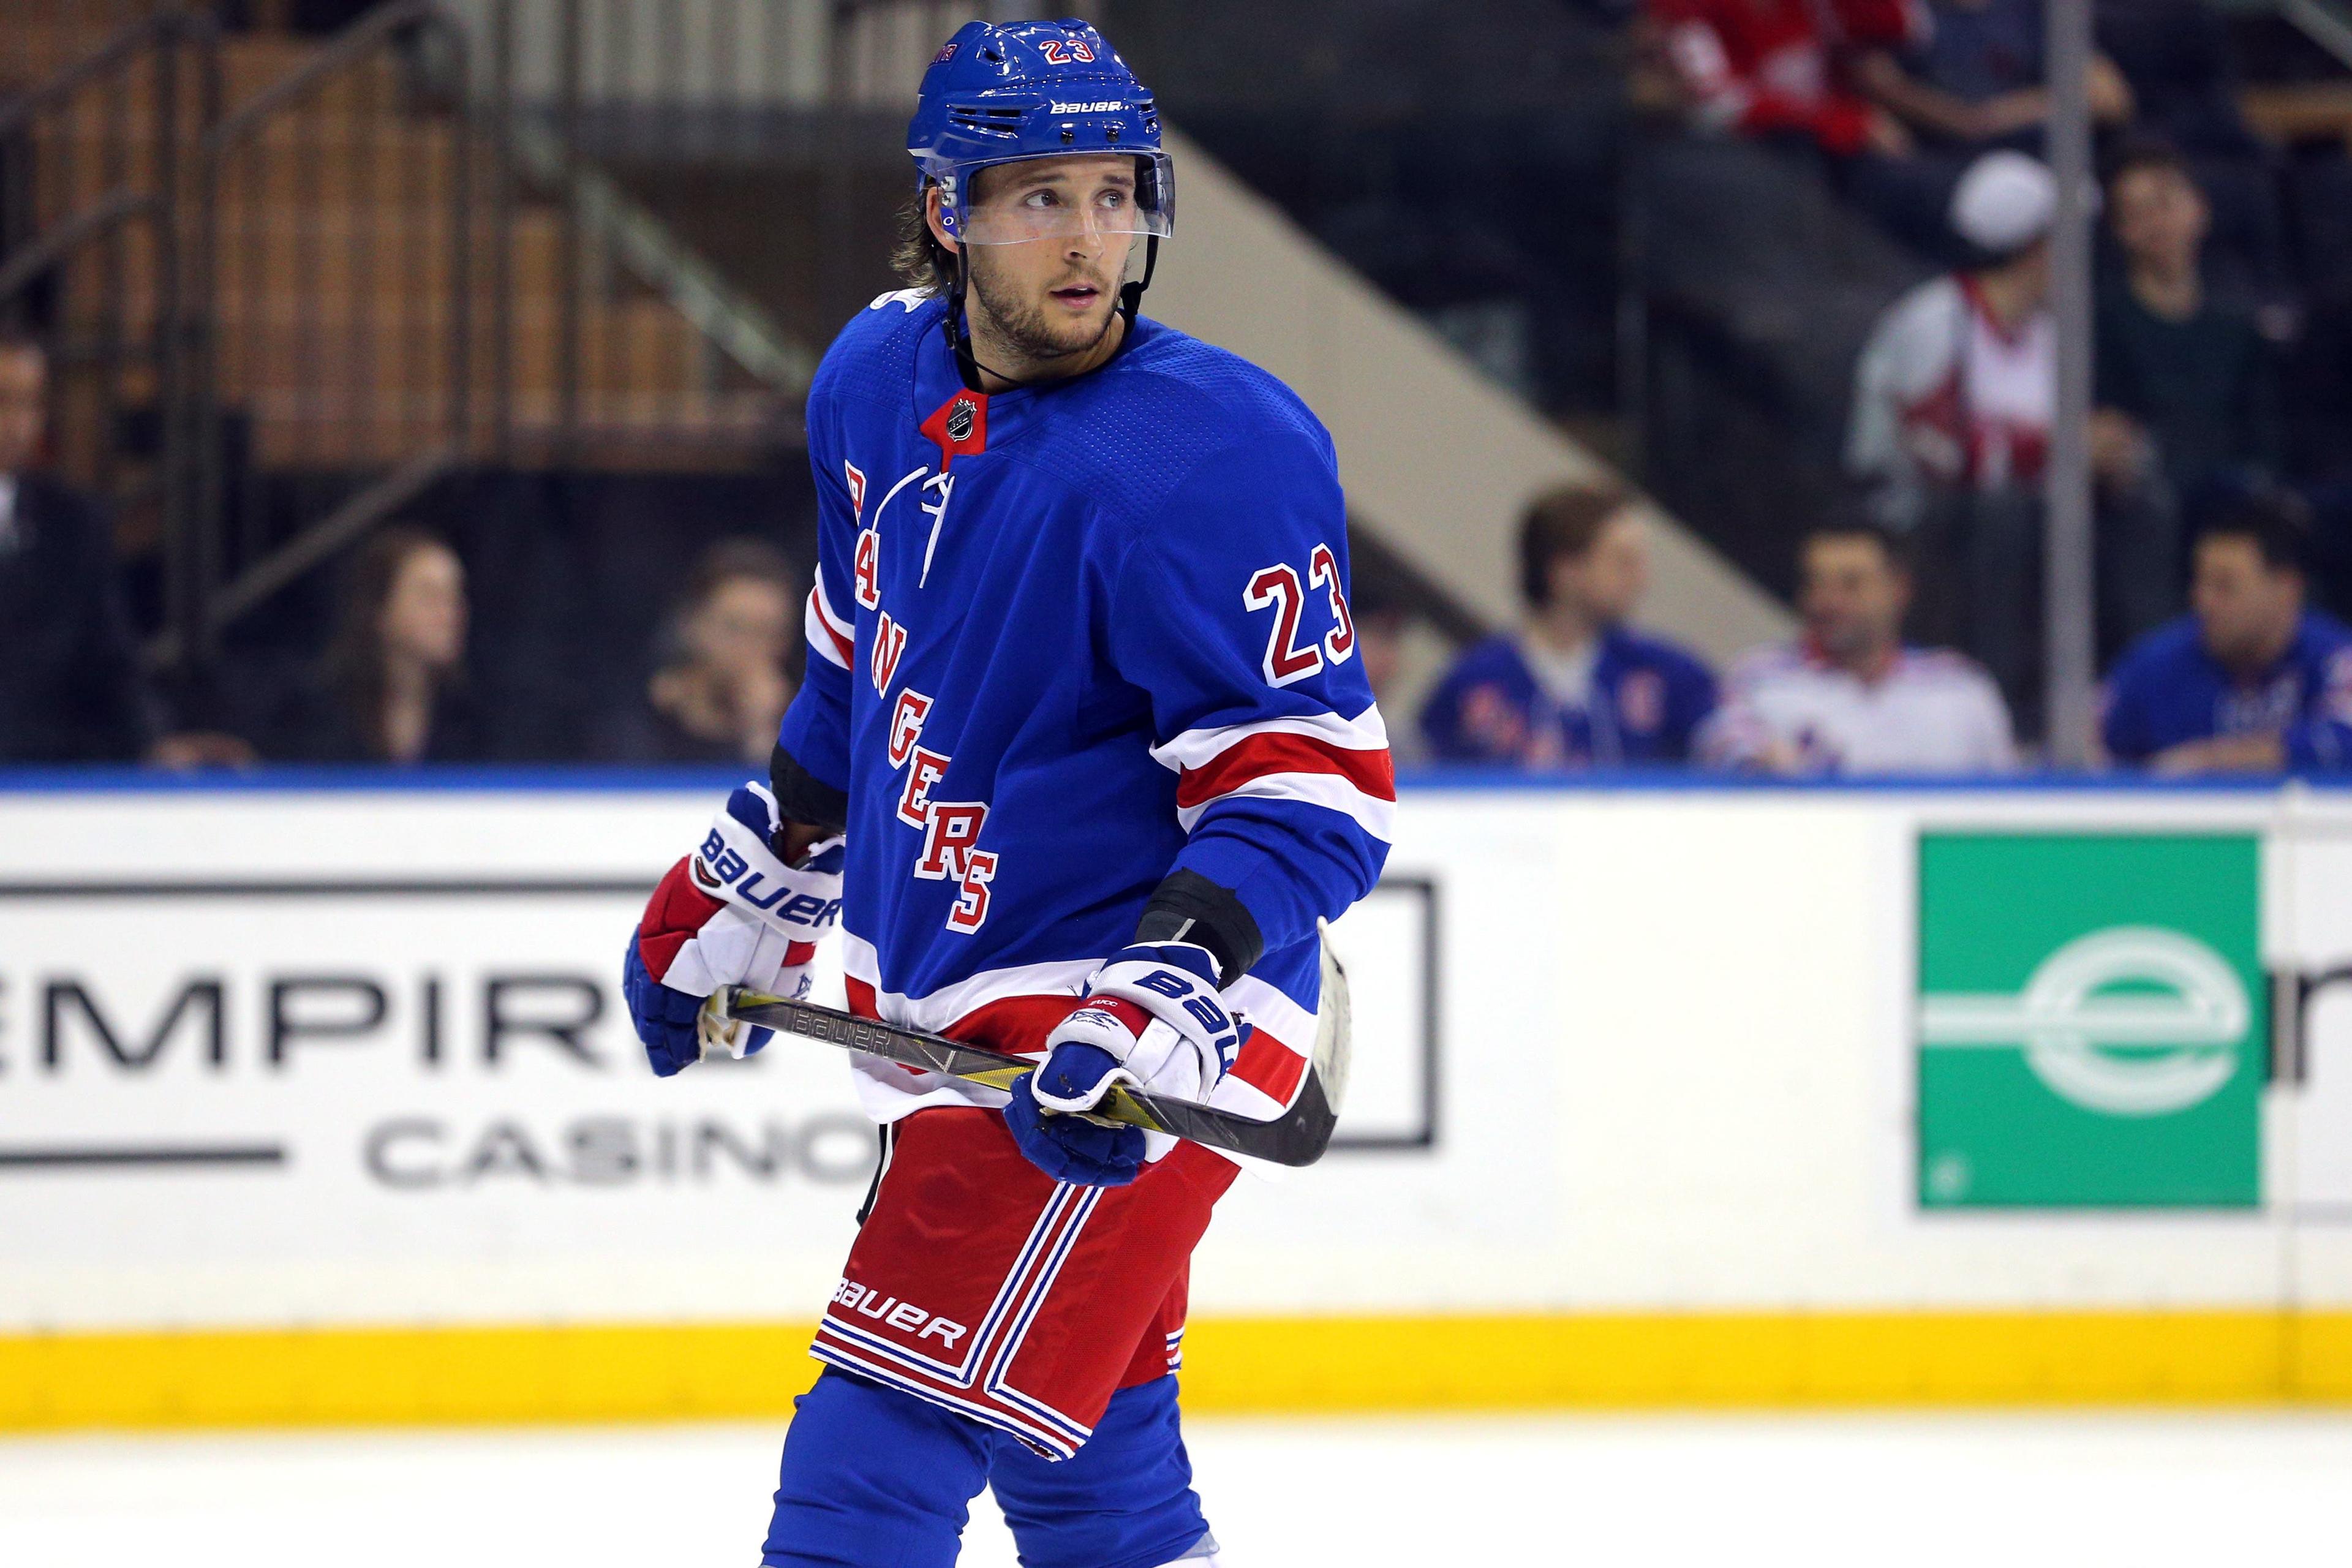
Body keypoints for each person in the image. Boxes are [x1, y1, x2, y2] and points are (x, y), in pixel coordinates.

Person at [618, 22, 1389, 1568]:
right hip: (950, 1014)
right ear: (945, 209)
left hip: (1137, 1024)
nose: (1088, 238)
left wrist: (1151, 997)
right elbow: (862, 656)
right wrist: (754, 865)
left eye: (1112, 194)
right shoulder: (871, 374)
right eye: (1038, 197)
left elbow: (1310, 791)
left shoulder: (1216, 453)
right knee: (1091, 1475)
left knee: (869, 1460)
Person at [1420, 483, 1717, 767]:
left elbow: (1725, 749)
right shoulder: (1474, 681)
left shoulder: (1668, 675)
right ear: (1565, 571)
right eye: (1622, 562)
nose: (1642, 580)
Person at [1700, 519, 2016, 773]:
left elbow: (2010, 805)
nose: (1829, 601)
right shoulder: (1760, 679)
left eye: (1851, 584)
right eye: (1817, 583)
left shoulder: (1960, 687)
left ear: (1899, 589)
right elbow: (1725, 764)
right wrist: (1763, 769)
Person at [0, 331, 164, 763]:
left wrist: (152, 744)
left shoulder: (71, 522)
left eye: (30, 403)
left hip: (39, 782)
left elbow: (109, 659)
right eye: (3, 400)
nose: (17, 423)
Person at [2101, 494, 2352, 774]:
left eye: (2225, 586)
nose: (2203, 600)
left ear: (2286, 589)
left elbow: (2345, 737)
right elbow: (2083, 748)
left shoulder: (2336, 659)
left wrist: (2213, 761)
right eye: (2200, 582)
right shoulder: (2152, 667)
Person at [2093, 140, 2280, 510]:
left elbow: (2263, 433)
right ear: (2119, 230)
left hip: (2231, 495)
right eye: (2137, 212)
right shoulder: (2104, 322)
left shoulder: (2238, 323)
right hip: (2149, 496)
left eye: (2164, 203)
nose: (2156, 223)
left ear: (2199, 208)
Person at [273, 525, 482, 763]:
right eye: (429, 596)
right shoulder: (314, 713)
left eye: (455, 596)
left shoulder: (475, 717)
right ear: (379, 608)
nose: (451, 615)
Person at [600, 537, 799, 764]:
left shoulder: (808, 732)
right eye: (735, 628)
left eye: (770, 633)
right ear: (692, 626)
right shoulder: (638, 726)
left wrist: (762, 731)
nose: (751, 648)